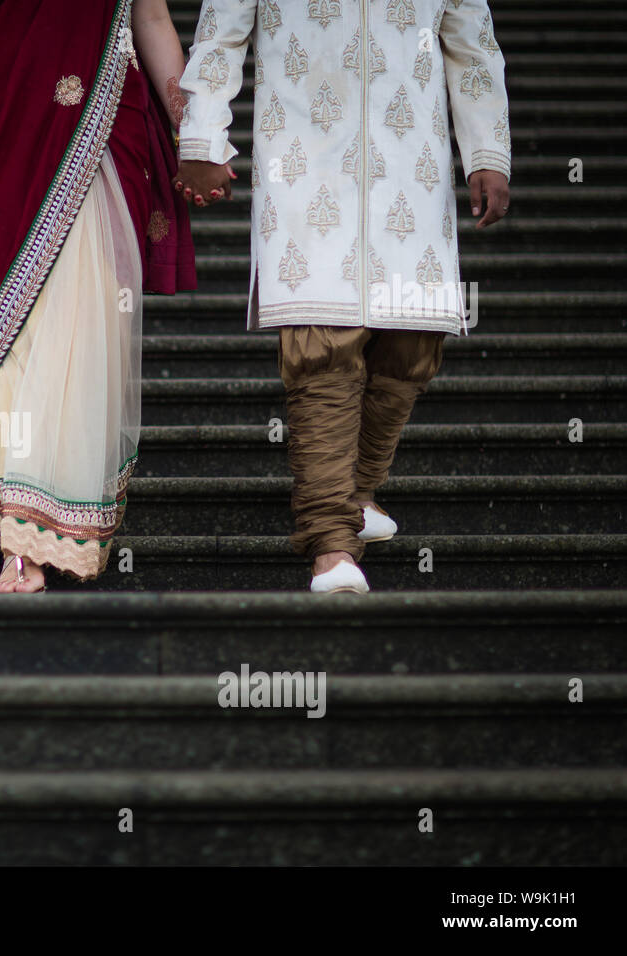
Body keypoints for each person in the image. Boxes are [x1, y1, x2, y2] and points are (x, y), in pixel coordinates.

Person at [173, 0, 511, 593]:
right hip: (305, 163)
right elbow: (219, 36)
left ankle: (357, 494)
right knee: (322, 346)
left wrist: (486, 152)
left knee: (412, 342)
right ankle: (330, 544)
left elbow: (472, 45)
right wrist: (203, 138)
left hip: (414, 167)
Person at [0, 0, 198, 591]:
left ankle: (41, 533)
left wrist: (195, 133)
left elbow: (154, 18)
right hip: (4, 111)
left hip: (105, 120)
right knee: (10, 326)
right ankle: (22, 536)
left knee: (88, 320)